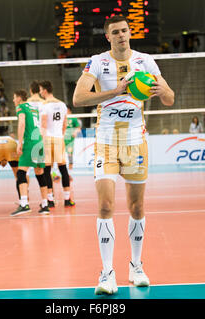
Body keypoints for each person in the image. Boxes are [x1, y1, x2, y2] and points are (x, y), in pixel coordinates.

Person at [72, 15, 175, 295]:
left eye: (124, 31)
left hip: (135, 141)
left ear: (130, 33)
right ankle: (107, 273)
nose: (121, 35)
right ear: (108, 36)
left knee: (137, 208)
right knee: (105, 206)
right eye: (115, 32)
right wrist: (116, 90)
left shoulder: (145, 61)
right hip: (106, 141)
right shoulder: (97, 62)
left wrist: (159, 89)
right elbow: (78, 99)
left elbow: (170, 98)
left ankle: (136, 265)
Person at [11, 89, 49, 216]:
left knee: (21, 172)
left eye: (14, 97)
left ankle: (24, 204)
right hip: (38, 142)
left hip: (29, 143)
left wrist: (19, 142)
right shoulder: (33, 108)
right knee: (40, 174)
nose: (13, 100)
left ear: (20, 98)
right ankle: (45, 204)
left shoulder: (20, 107)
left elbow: (22, 124)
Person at [39, 80, 75, 208]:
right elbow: (65, 124)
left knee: (47, 169)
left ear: (44, 90)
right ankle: (67, 199)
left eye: (40, 89)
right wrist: (61, 135)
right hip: (59, 138)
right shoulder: (62, 104)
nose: (39, 92)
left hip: (47, 138)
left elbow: (43, 124)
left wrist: (42, 140)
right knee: (63, 168)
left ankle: (50, 200)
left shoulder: (44, 105)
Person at [64, 106, 82, 175]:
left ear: (69, 110)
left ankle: (70, 169)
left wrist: (75, 132)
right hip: (62, 137)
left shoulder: (73, 117)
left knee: (70, 153)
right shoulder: (62, 117)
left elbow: (78, 128)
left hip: (70, 139)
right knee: (60, 153)